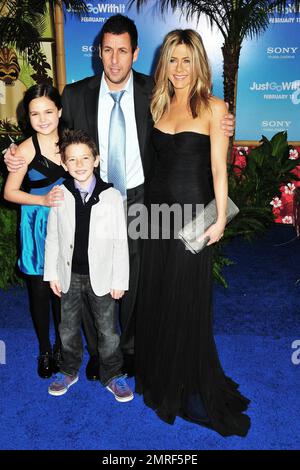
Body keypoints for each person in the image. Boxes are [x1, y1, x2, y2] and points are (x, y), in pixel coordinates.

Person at [4, 14, 235, 381]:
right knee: (90, 272)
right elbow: (54, 141)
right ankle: (98, 353)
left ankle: (127, 350)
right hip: (93, 199)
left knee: (136, 276)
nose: (114, 60)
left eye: (123, 51)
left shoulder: (155, 93)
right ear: (99, 51)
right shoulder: (76, 95)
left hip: (144, 196)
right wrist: (17, 153)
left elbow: (192, 127)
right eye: (108, 50)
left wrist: (224, 121)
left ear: (136, 53)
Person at [135, 29, 251, 437]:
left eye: (187, 60)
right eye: (173, 59)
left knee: (186, 299)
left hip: (194, 217)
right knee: (160, 294)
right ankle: (162, 373)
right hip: (156, 216)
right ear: (163, 63)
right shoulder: (157, 104)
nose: (180, 69)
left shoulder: (216, 109)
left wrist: (220, 219)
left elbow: (220, 170)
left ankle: (186, 382)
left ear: (199, 63)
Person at [44, 129, 133, 401]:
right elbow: (54, 238)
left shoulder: (111, 196)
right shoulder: (59, 194)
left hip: (103, 278)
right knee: (67, 327)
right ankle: (68, 369)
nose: (79, 164)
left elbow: (120, 241)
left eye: (85, 158)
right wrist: (52, 274)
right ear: (63, 162)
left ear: (96, 160)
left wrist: (120, 280)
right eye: (72, 159)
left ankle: (113, 374)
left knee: (107, 329)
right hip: (68, 274)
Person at [4, 84, 66, 378]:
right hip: (37, 227)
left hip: (68, 226)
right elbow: (9, 192)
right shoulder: (25, 149)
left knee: (63, 292)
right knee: (40, 292)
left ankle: (63, 347)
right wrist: (41, 200)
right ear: (27, 117)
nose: (42, 119)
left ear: (60, 112)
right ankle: (45, 349)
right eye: (35, 113)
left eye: (48, 111)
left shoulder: (73, 142)